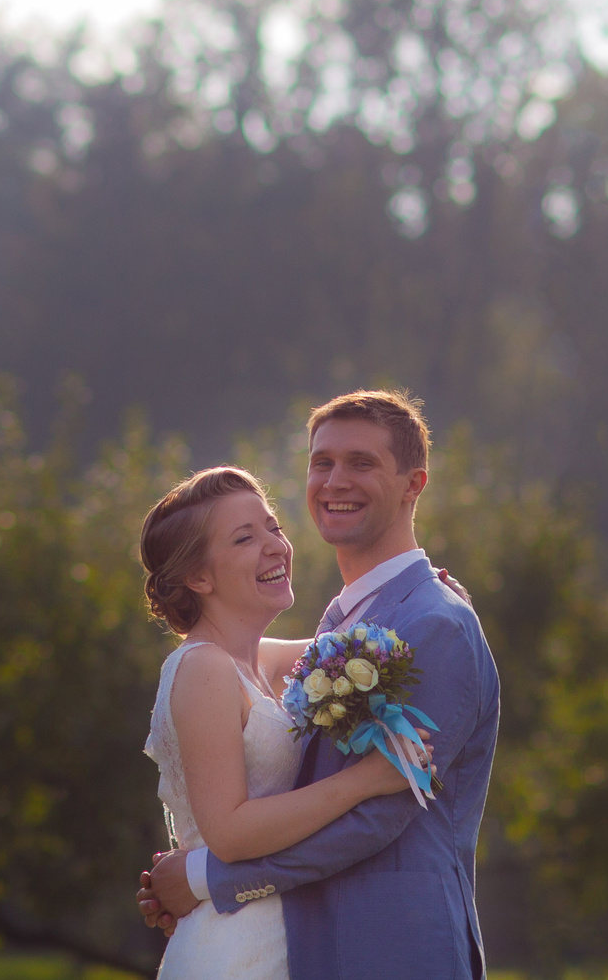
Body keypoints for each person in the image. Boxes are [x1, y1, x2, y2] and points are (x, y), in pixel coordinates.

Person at [139, 391, 501, 980]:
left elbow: (377, 818)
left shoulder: (433, 624)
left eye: (362, 463)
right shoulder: (340, 630)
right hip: (300, 943)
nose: (335, 481)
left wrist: (202, 879)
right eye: (321, 463)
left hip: (396, 948)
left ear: (414, 484)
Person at [138, 465, 428, 980]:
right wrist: (362, 781)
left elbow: (371, 635)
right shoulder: (202, 668)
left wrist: (426, 592)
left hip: (288, 933)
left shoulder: (260, 661)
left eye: (272, 527)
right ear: (199, 577)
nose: (275, 546)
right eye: (245, 538)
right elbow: (227, 832)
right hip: (236, 949)